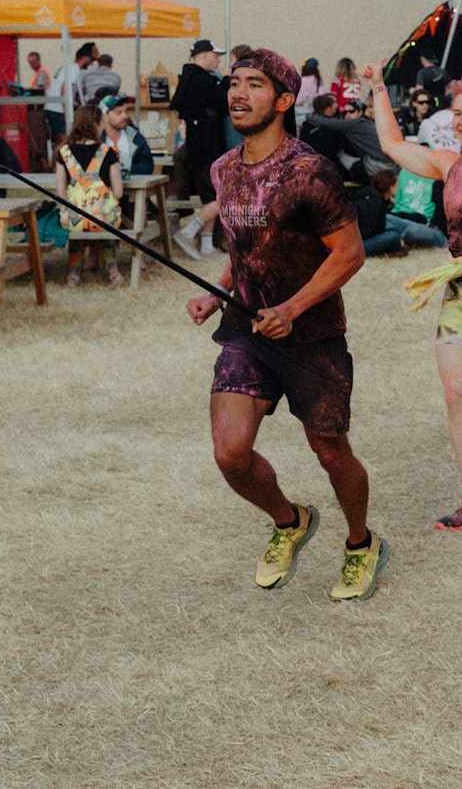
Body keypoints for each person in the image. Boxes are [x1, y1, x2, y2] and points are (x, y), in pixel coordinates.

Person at [184, 48, 387, 603]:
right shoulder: (223, 169)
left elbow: (348, 254)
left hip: (312, 338)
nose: (238, 93)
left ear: (285, 99)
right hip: (246, 331)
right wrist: (217, 290)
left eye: (254, 83)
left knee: (330, 451)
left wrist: (293, 309)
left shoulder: (309, 171)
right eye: (234, 82)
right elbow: (246, 247)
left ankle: (360, 542)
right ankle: (290, 520)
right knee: (230, 453)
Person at [364, 63, 462, 528]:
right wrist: (380, 89)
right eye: (457, 113)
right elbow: (392, 144)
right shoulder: (448, 165)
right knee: (456, 394)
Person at [54, 104, 124, 286]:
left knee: (79, 228)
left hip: (74, 218)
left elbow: (60, 191)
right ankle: (112, 270)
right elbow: (118, 191)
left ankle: (73, 273)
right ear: (95, 124)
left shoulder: (64, 152)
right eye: (101, 123)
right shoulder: (108, 152)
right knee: (107, 225)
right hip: (103, 217)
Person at [171, 39, 229, 258]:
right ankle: (188, 231)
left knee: (209, 197)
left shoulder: (187, 78)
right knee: (220, 198)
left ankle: (206, 246)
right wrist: (225, 81)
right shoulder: (204, 81)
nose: (218, 60)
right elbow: (224, 104)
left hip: (195, 144)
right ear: (205, 56)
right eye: (216, 55)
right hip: (207, 146)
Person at [46, 44, 97, 144]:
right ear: (85, 58)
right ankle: (68, 158)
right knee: (64, 140)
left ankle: (61, 158)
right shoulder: (74, 69)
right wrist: (67, 111)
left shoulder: (69, 68)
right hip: (58, 109)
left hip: (54, 107)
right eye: (91, 60)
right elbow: (65, 89)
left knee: (60, 141)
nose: (91, 64)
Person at [100, 94, 156, 178]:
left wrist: (125, 170)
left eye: (126, 112)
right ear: (105, 117)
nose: (125, 116)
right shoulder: (96, 138)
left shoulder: (135, 136)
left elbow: (147, 166)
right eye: (119, 113)